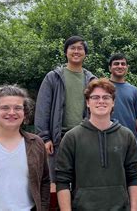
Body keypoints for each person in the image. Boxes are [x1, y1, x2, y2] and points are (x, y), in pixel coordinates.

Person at [55, 78, 137, 211]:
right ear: (88, 102)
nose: (101, 101)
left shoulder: (127, 136)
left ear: (113, 102)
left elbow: (133, 177)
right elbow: (62, 180)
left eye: (106, 97)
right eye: (95, 97)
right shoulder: (72, 137)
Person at [35, 35, 96, 187]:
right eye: (72, 48)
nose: (76, 51)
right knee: (58, 181)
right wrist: (44, 137)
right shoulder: (53, 77)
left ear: (85, 53)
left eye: (80, 48)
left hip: (85, 137)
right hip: (58, 139)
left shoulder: (91, 80)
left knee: (84, 179)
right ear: (66, 52)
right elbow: (43, 108)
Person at [108, 53, 137, 136]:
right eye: (116, 64)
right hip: (107, 136)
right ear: (109, 68)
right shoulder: (102, 88)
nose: (120, 66)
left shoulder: (134, 91)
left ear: (127, 68)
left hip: (130, 137)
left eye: (123, 64)